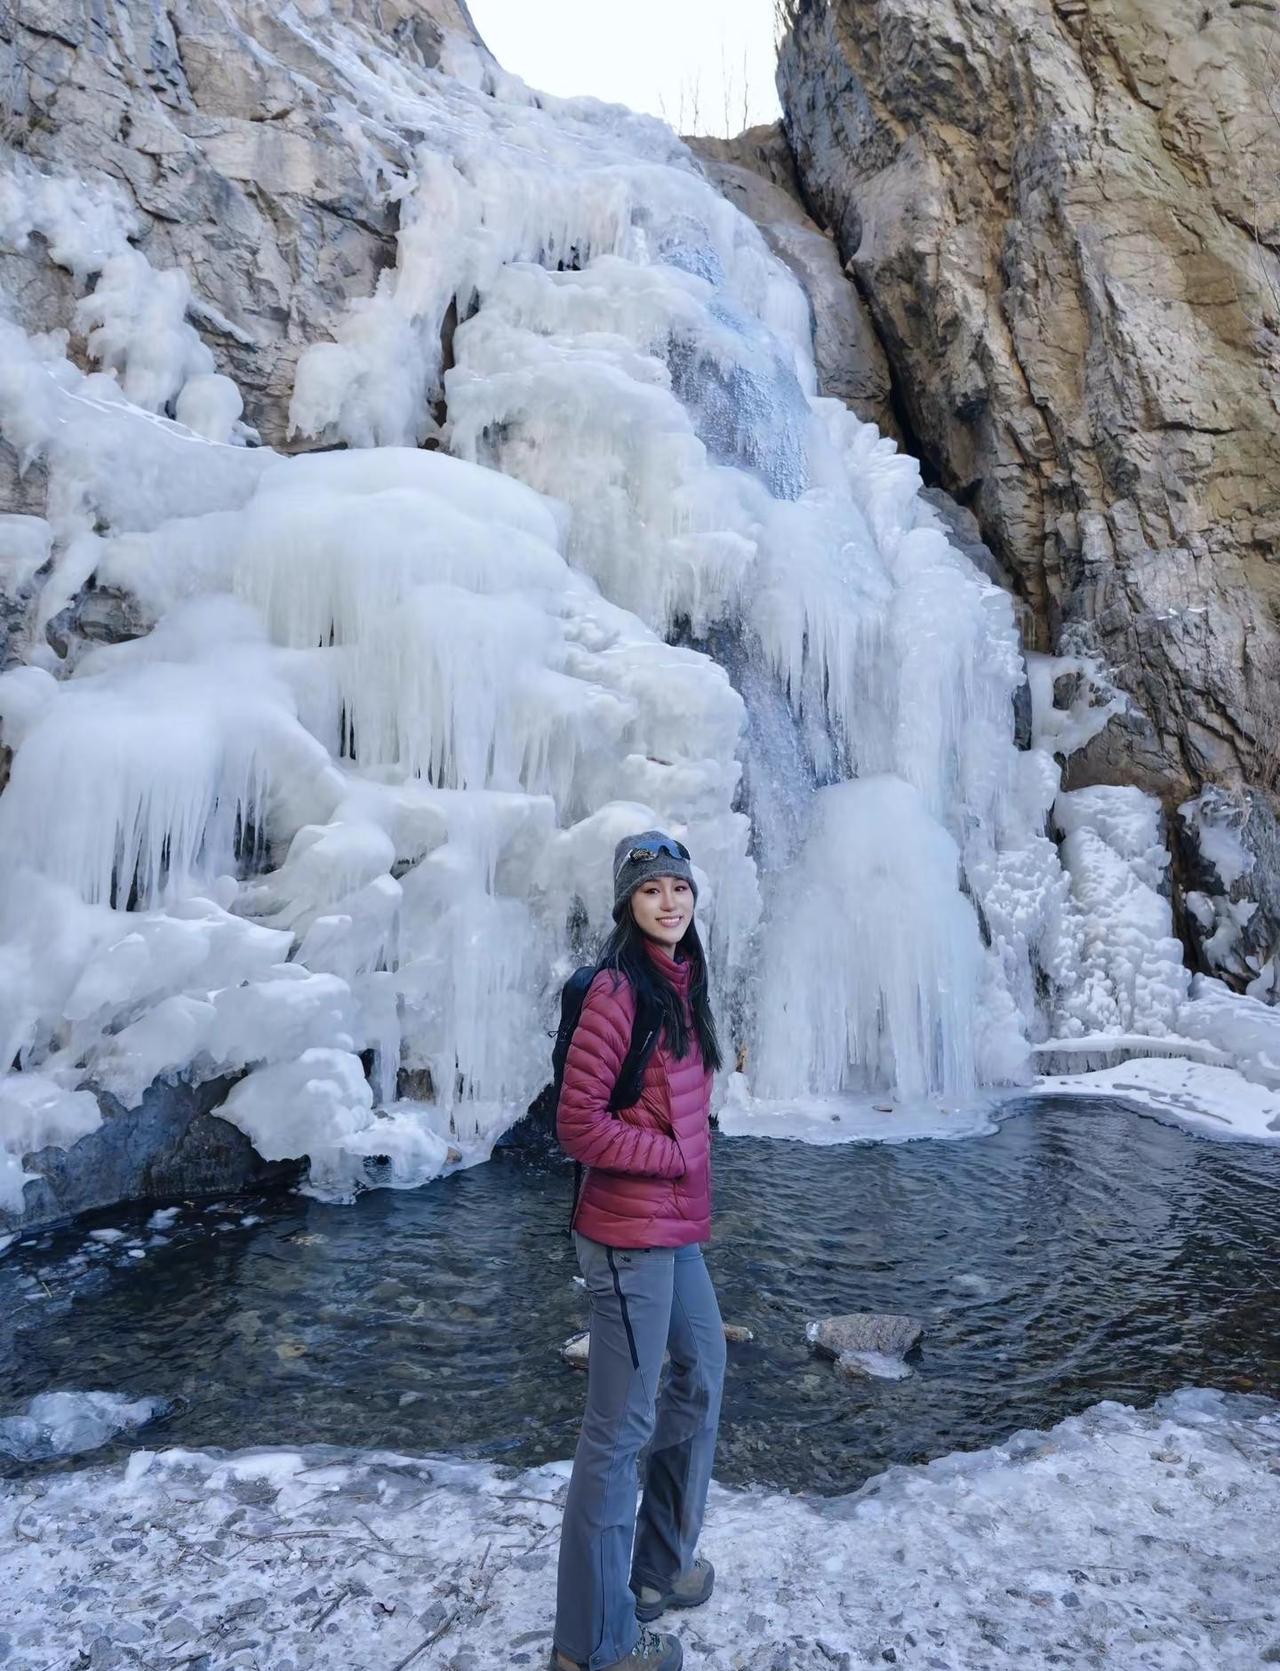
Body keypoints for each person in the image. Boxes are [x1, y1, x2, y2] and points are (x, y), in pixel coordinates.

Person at [550, 831, 726, 1671]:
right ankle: (592, 1642)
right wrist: (670, 1155)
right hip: (626, 1235)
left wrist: (682, 1164)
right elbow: (577, 1123)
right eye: (652, 889)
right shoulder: (618, 989)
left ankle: (656, 1566)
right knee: (618, 1431)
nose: (670, 900)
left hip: (671, 1226)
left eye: (678, 887)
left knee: (702, 1369)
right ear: (628, 903)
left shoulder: (681, 982)